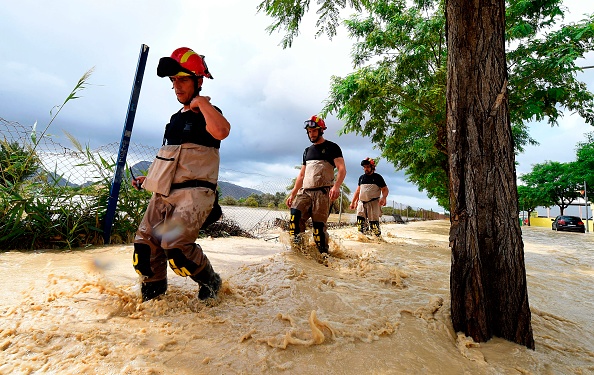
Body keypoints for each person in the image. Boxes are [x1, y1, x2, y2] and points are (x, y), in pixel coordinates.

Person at [131, 47, 230, 302]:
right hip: (165, 192)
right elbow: (170, 158)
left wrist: (203, 104)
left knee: (174, 247)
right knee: (144, 246)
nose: (176, 86)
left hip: (194, 194)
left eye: (183, 79)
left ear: (198, 81)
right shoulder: (174, 119)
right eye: (173, 80)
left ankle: (211, 282)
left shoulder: (208, 112)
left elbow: (221, 131)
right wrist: (149, 179)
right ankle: (154, 300)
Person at [286, 115, 346, 254]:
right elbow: (301, 175)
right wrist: (293, 194)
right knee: (295, 216)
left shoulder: (332, 147)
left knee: (318, 229)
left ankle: (323, 256)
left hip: (323, 193)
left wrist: (336, 186)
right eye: (309, 131)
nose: (311, 134)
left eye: (313, 131)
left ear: (320, 130)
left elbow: (342, 169)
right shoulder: (307, 151)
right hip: (305, 191)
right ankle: (299, 252)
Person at [349, 157, 389, 236]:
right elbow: (358, 191)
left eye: (367, 167)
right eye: (364, 167)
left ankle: (377, 239)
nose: (365, 169)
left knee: (373, 223)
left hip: (373, 203)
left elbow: (385, 189)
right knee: (360, 221)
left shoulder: (378, 177)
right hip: (362, 202)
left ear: (372, 167)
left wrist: (383, 198)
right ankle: (362, 237)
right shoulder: (361, 178)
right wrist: (353, 202)